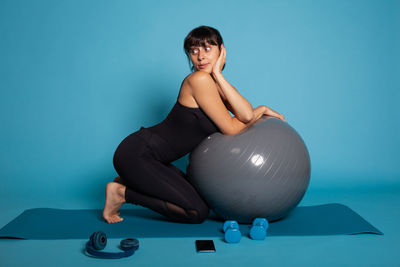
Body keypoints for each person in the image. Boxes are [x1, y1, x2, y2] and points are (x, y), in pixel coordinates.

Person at [102, 25, 286, 224]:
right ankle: (122, 193)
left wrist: (219, 74)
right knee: (196, 213)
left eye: (208, 48)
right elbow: (231, 128)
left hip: (155, 160)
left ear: (221, 50)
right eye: (193, 51)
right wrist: (262, 109)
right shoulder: (198, 81)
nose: (200, 57)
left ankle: (131, 181)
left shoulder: (214, 83)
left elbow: (245, 114)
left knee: (201, 203)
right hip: (137, 154)